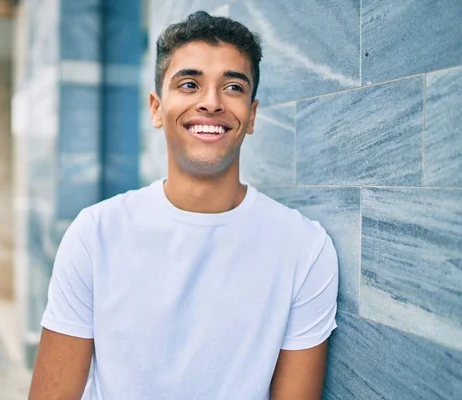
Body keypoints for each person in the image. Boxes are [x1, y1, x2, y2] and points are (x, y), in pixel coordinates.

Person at [29, 11, 339, 400]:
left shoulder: (304, 249)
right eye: (190, 84)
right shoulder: (95, 235)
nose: (211, 103)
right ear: (157, 108)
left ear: (252, 115)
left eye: (233, 87)